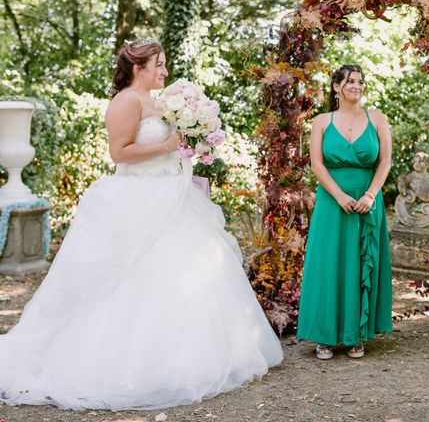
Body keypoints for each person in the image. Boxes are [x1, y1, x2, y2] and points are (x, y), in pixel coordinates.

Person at [0, 38, 283, 410]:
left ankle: (185, 358)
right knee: (129, 278)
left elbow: (172, 141)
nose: (164, 71)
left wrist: (191, 146)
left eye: (164, 65)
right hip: (136, 198)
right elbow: (120, 152)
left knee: (186, 275)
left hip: (173, 197)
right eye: (159, 65)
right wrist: (169, 147)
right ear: (139, 68)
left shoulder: (160, 101)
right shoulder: (125, 101)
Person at [297, 64, 393, 360]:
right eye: (350, 81)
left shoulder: (377, 119)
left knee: (360, 264)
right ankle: (324, 337)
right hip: (331, 202)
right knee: (328, 264)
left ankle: (355, 336)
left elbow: (385, 163)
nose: (357, 86)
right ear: (336, 86)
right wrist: (338, 196)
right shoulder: (321, 122)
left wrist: (370, 195)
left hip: (366, 202)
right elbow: (316, 165)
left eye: (361, 81)